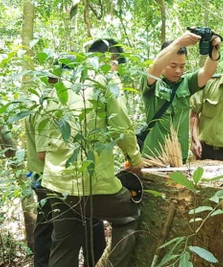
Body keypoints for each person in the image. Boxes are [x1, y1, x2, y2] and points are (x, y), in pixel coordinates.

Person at [40, 39, 143, 267]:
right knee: (128, 216)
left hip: (56, 182)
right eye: (117, 64)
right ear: (110, 60)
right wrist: (135, 159)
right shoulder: (107, 79)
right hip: (90, 182)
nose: (116, 69)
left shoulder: (63, 82)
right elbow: (121, 126)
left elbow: (48, 133)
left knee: (64, 243)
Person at [25, 60, 106, 267]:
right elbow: (44, 154)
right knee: (59, 230)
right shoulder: (45, 105)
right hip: (48, 179)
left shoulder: (53, 102)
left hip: (51, 177)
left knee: (56, 228)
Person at [139, 29, 222, 162]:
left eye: (182, 66)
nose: (178, 71)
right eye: (172, 65)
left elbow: (207, 72)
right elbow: (155, 67)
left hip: (178, 158)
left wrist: (214, 50)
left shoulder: (187, 82)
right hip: (153, 157)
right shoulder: (152, 82)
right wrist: (179, 42)